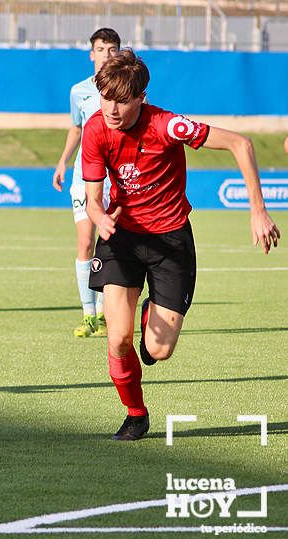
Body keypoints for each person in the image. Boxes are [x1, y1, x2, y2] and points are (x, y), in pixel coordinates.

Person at [82, 49, 281, 441]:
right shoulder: (95, 128)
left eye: (123, 100)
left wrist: (258, 210)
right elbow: (92, 198)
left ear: (141, 97)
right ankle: (136, 414)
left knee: (157, 350)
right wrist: (99, 217)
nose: (113, 108)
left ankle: (149, 317)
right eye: (106, 97)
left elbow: (242, 144)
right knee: (117, 338)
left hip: (170, 240)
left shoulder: (168, 125)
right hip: (120, 235)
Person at [52, 28, 121, 338]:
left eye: (111, 49)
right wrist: (62, 161)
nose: (106, 54)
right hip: (84, 177)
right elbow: (76, 128)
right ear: (92, 54)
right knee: (85, 241)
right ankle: (88, 313)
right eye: (101, 49)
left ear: (119, 53)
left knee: (112, 244)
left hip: (117, 179)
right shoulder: (79, 91)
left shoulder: (125, 90)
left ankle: (107, 314)